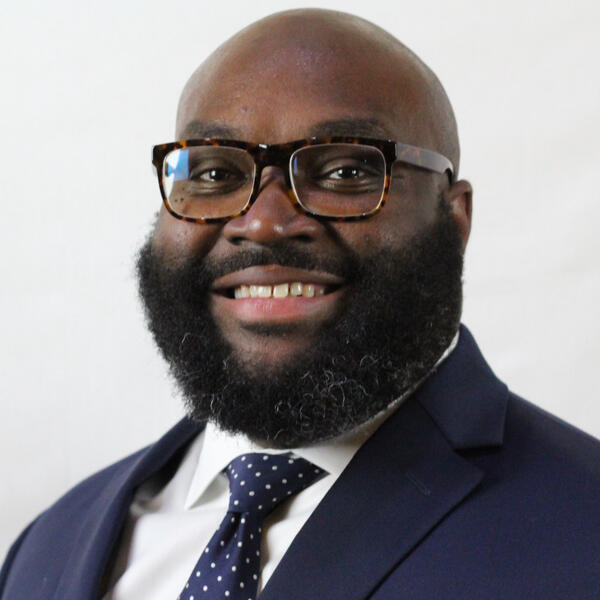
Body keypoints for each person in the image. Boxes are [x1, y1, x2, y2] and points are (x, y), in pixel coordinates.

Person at [1, 8, 599, 600]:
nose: (263, 223)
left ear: (454, 217)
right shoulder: (49, 545)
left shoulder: (582, 527)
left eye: (344, 170)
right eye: (214, 173)